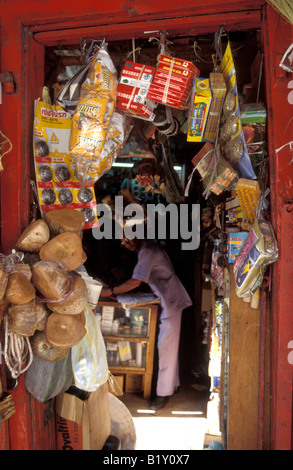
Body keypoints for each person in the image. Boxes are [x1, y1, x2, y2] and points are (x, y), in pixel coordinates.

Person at [101, 236, 192, 410]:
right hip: (167, 297)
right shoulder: (148, 248)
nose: (126, 245)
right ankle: (174, 384)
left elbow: (136, 281)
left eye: (128, 240)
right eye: (123, 242)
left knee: (165, 346)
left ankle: (163, 394)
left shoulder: (147, 251)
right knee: (169, 345)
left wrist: (109, 291)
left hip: (171, 299)